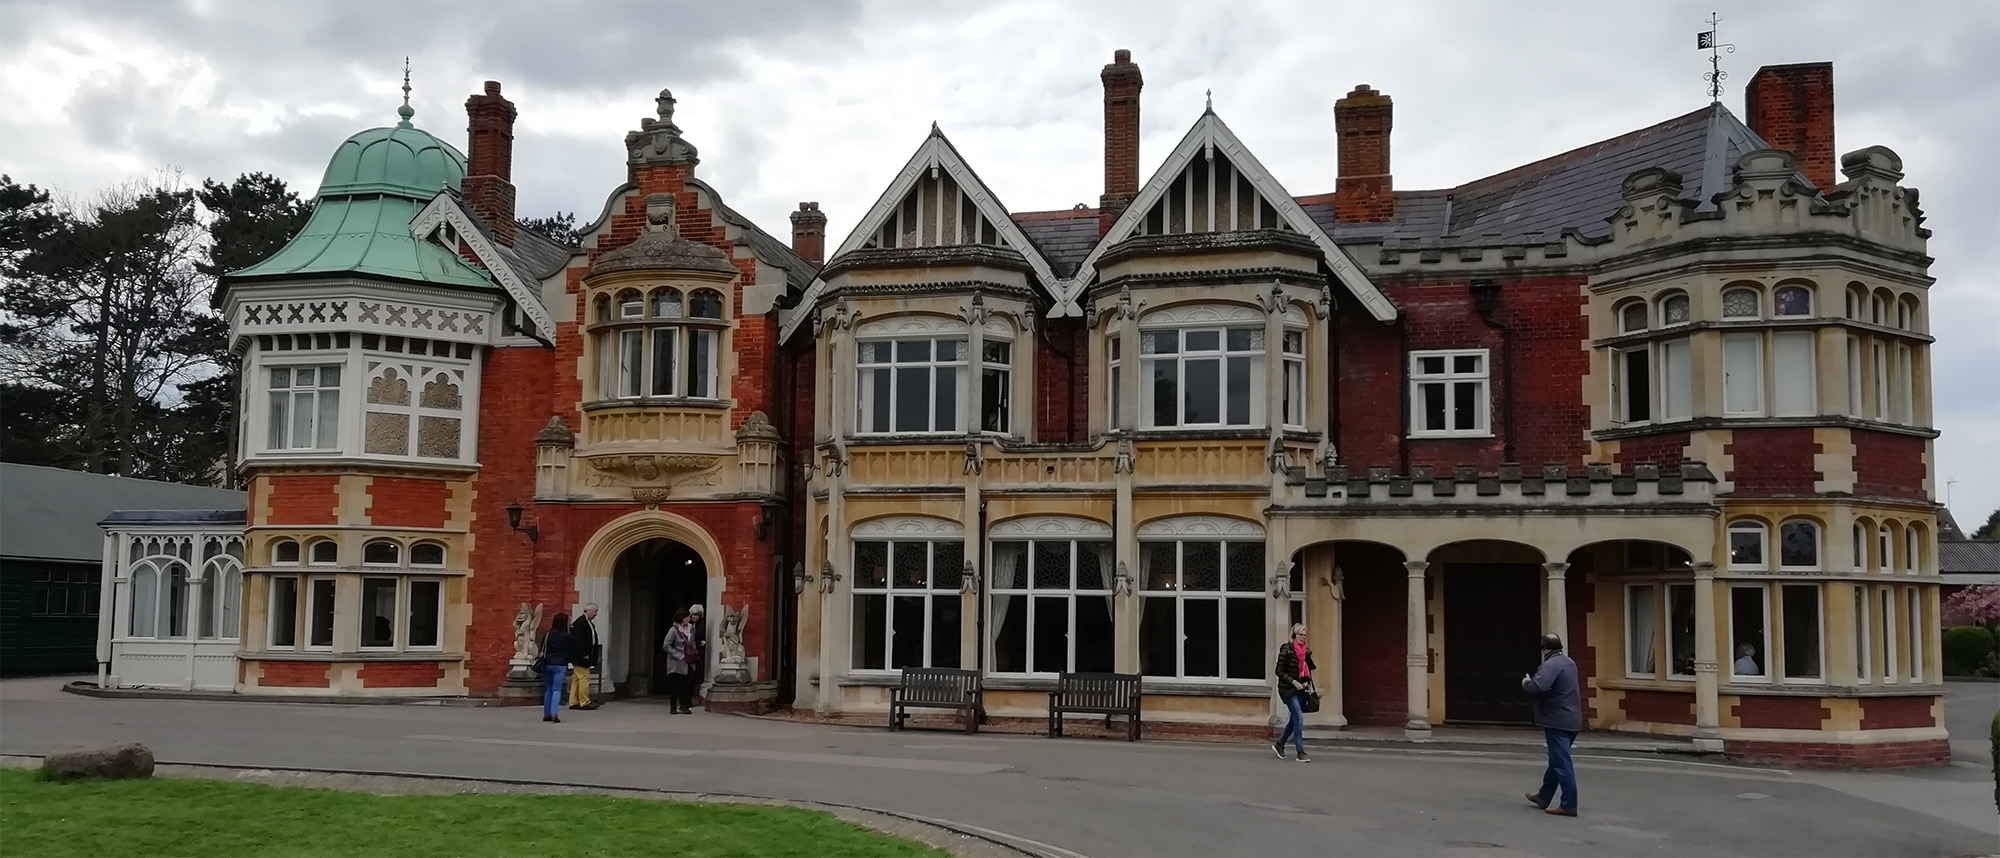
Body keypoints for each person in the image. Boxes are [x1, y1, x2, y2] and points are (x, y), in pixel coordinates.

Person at [1522, 633, 1582, 817]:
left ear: (1544, 649)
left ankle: (1569, 804)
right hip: (1573, 718)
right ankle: (1544, 796)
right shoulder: (1569, 662)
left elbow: (1539, 686)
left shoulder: (1550, 664)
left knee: (1562, 763)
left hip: (1557, 719)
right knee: (1556, 760)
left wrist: (1526, 683)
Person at [1271, 623, 1315, 762]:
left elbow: (1309, 671)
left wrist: (1305, 682)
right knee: (1299, 717)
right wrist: (1293, 682)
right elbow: (1278, 671)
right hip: (1288, 689)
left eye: (1305, 635)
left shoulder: (1306, 652)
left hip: (1301, 689)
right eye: (1301, 634)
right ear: (1294, 635)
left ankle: (1279, 744)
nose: (1303, 637)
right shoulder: (1287, 650)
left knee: (1294, 719)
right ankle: (1300, 752)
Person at [541, 613, 577, 724]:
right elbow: (573, 647)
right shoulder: (567, 636)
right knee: (557, 689)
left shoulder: (548, 634)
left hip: (547, 663)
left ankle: (546, 713)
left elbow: (543, 647)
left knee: (548, 689)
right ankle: (554, 713)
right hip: (560, 664)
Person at [662, 609, 698, 714]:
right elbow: (666, 645)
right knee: (675, 685)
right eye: (687, 617)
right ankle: (673, 707)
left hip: (689, 660)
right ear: (681, 618)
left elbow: (692, 642)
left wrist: (694, 653)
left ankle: (684, 705)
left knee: (687, 684)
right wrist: (676, 654)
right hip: (676, 662)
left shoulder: (691, 629)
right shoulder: (673, 630)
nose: (689, 619)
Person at [568, 603, 600, 710]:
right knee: (584, 678)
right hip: (581, 656)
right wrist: (584, 654)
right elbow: (578, 641)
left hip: (581, 655)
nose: (596, 614)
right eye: (595, 611)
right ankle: (584, 701)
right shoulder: (581, 623)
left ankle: (574, 701)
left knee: (577, 679)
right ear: (589, 611)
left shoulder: (585, 622)